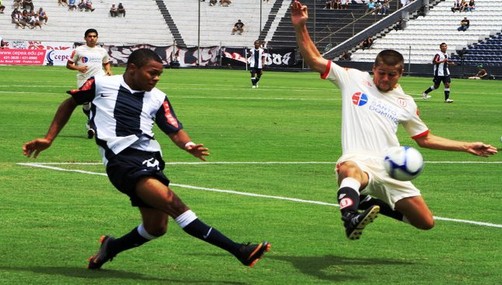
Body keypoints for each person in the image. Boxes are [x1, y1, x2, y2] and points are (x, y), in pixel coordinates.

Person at [22, 48, 271, 269]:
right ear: (133, 68)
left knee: (156, 228)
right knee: (176, 206)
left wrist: (189, 144)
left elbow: (173, 128)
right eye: (152, 72)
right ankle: (239, 251)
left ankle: (111, 247)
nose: (156, 78)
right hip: (122, 162)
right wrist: (49, 138)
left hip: (150, 160)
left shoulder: (158, 98)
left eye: (159, 74)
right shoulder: (100, 84)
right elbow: (69, 103)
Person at [290, 0, 497, 240]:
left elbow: (425, 138)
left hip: (391, 167)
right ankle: (350, 217)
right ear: (373, 69)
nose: (385, 79)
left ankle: (366, 202)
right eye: (381, 73)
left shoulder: (406, 103)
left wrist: (467, 146)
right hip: (358, 160)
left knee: (425, 222)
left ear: (400, 73)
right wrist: (300, 26)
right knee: (349, 170)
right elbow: (315, 59)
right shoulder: (354, 79)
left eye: (391, 74)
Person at [66, 28, 112, 139]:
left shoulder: (102, 51)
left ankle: (93, 126)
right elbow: (68, 65)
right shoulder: (79, 50)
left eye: (94, 36)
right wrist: (78, 68)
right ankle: (89, 120)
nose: (92, 38)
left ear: (97, 38)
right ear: (85, 38)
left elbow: (106, 62)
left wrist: (108, 70)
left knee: (97, 103)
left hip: (99, 80)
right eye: (90, 36)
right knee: (86, 104)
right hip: (83, 81)